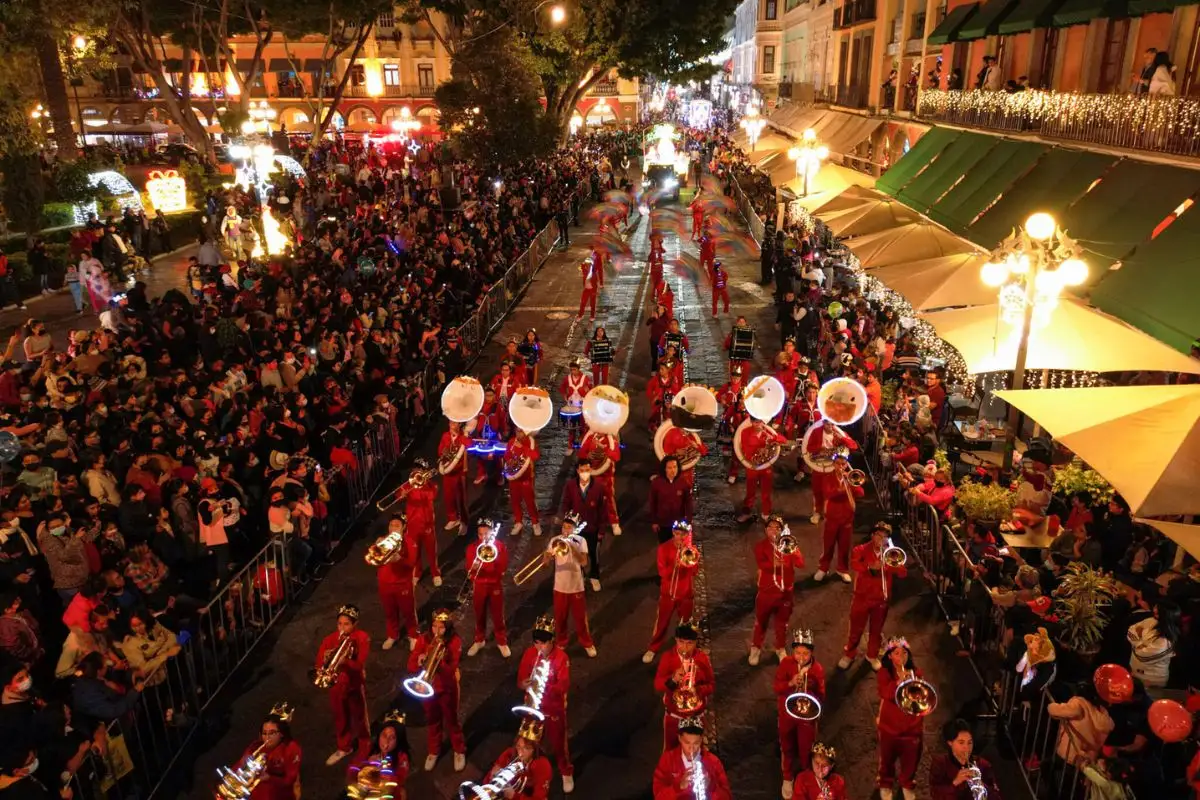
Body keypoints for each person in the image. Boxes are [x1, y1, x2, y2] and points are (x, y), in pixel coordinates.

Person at [517, 614, 573, 792]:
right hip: (533, 708)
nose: (540, 647)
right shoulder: (529, 654)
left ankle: (565, 771)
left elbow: (563, 685)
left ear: (552, 641)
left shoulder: (561, 658)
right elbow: (520, 681)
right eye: (536, 643)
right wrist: (524, 683)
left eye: (544, 643)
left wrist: (543, 685)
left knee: (558, 744)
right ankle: (528, 771)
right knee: (528, 743)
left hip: (553, 709)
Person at [839, 522, 907, 671]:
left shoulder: (890, 552)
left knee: (876, 631)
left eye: (884, 537)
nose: (881, 539)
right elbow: (855, 565)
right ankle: (849, 654)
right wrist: (871, 566)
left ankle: (872, 655)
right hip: (862, 598)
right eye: (878, 535)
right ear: (872, 535)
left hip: (881, 599)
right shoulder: (860, 549)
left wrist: (890, 562)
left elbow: (902, 573)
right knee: (856, 630)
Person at [406, 609, 466, 772]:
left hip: (447, 688)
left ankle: (459, 750)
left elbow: (451, 671)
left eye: (441, 628)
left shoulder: (454, 642)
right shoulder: (423, 639)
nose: (437, 632)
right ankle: (433, 750)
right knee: (432, 719)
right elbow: (410, 665)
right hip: (426, 688)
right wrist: (419, 661)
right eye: (434, 627)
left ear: (448, 628)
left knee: (452, 720)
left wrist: (439, 663)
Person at [314, 603, 370, 765]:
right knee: (340, 717)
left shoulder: (362, 638)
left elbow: (359, 665)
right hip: (335, 685)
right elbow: (318, 665)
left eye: (346, 624)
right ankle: (344, 747)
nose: (342, 628)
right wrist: (325, 660)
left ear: (355, 624)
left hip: (354, 683)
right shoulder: (329, 640)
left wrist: (345, 661)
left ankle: (364, 747)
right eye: (340, 623)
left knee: (360, 717)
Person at [775, 628, 825, 796]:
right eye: (798, 653)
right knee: (787, 747)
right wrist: (790, 683)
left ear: (811, 653)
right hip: (787, 714)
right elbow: (777, 687)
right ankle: (788, 777)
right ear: (792, 651)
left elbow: (821, 695)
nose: (802, 658)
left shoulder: (817, 669)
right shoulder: (786, 664)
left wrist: (810, 694)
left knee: (806, 749)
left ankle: (805, 777)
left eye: (805, 653)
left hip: (806, 717)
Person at [874, 637, 925, 800]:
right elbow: (885, 693)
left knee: (911, 759)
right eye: (897, 653)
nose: (901, 657)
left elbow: (921, 699)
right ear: (889, 656)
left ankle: (907, 783)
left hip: (912, 727)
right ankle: (885, 783)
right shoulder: (884, 673)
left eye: (905, 653)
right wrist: (898, 681)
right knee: (886, 759)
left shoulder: (916, 673)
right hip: (889, 726)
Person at [750, 516, 805, 666]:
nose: (774, 530)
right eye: (770, 527)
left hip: (785, 593)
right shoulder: (760, 546)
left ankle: (780, 648)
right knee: (761, 623)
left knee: (782, 624)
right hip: (767, 592)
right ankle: (756, 647)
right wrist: (772, 563)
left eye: (777, 528)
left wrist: (793, 549)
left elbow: (801, 564)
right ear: (765, 530)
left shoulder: (788, 545)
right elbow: (761, 564)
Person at [653, 619, 714, 752]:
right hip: (674, 716)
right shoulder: (667, 657)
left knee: (696, 751)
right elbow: (658, 684)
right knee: (670, 750)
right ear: (676, 640)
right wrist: (673, 679)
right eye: (681, 642)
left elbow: (711, 685)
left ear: (695, 643)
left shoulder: (702, 658)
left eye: (689, 643)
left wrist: (698, 690)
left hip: (696, 715)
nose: (685, 648)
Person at [645, 521, 700, 662]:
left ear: (687, 535)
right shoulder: (663, 548)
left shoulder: (692, 550)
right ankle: (653, 648)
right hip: (668, 595)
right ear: (673, 533)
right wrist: (675, 565)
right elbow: (663, 573)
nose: (679, 537)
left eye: (683, 534)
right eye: (677, 534)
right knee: (661, 623)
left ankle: (685, 651)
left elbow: (694, 572)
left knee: (685, 625)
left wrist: (689, 558)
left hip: (686, 595)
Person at [548, 513, 596, 656]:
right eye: (564, 527)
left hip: (576, 587)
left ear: (574, 528)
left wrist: (571, 545)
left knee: (580, 619)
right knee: (560, 618)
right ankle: (561, 643)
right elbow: (546, 559)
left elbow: (583, 562)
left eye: (569, 527)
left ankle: (587, 643)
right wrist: (547, 557)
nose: (565, 530)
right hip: (559, 587)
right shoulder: (555, 540)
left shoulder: (580, 541)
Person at [651, 715, 732, 799]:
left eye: (696, 743)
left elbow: (727, 797)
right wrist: (679, 787)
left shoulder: (713, 762)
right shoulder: (668, 760)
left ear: (701, 739)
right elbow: (658, 796)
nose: (691, 748)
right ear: (680, 738)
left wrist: (711, 786)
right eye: (687, 743)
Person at [234, 703, 302, 800]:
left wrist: (269, 778)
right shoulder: (256, 746)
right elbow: (240, 765)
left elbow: (289, 780)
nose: (267, 738)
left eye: (272, 733)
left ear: (282, 733)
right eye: (264, 733)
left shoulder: (292, 749)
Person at [389, 461, 441, 586]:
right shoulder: (408, 484)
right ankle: (417, 572)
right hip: (412, 523)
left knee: (431, 551)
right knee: (414, 551)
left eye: (421, 469)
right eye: (416, 469)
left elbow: (431, 496)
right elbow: (397, 495)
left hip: (427, 523)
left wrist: (424, 483)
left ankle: (436, 573)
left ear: (426, 472)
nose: (418, 471)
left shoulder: (432, 486)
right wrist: (401, 494)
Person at [374, 513, 419, 651]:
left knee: (408, 612)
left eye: (397, 525)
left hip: (402, 584)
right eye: (391, 525)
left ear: (404, 527)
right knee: (390, 612)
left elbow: (412, 563)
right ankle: (392, 635)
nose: (393, 528)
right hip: (385, 583)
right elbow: (376, 561)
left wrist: (399, 558)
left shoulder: (410, 542)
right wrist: (378, 550)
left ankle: (413, 635)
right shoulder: (382, 540)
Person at [466, 518, 510, 658]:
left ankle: (501, 641)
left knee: (498, 615)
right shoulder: (472, 548)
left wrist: (493, 558)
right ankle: (479, 640)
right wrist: (473, 568)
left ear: (492, 533)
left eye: (486, 533)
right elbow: (469, 572)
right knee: (479, 614)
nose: (484, 537)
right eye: (480, 534)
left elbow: (502, 569)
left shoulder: (500, 546)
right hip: (479, 585)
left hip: (494, 584)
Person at [813, 462, 864, 583]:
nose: (840, 466)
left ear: (846, 465)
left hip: (847, 518)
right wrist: (842, 489)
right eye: (838, 464)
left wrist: (853, 484)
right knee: (828, 546)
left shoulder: (850, 477)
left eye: (843, 464)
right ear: (834, 464)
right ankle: (823, 568)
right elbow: (828, 494)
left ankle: (843, 570)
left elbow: (861, 493)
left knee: (844, 547)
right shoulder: (827, 478)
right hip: (832, 518)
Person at [928, 718, 1002, 800]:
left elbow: (996, 796)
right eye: (961, 742)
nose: (966, 748)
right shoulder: (940, 763)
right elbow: (935, 794)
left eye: (969, 742)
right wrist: (955, 782)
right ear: (950, 743)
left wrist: (982, 786)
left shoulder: (983, 764)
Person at [803, 420, 857, 525]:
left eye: (833, 424)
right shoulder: (816, 432)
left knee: (833, 491)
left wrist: (842, 438)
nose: (831, 427)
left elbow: (853, 446)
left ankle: (830, 513)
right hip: (819, 465)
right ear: (823, 423)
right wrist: (820, 448)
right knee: (817, 490)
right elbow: (809, 448)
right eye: (828, 424)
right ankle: (817, 512)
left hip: (835, 467)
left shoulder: (839, 433)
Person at [483, 718, 554, 798]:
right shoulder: (509, 753)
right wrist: (491, 778)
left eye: (527, 748)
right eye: (518, 746)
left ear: (535, 749)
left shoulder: (542, 766)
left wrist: (514, 796)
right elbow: (487, 781)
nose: (520, 753)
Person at [735, 416, 788, 523]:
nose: (758, 425)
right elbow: (745, 448)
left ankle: (766, 513)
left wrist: (772, 438)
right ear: (751, 422)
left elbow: (784, 440)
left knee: (766, 491)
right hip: (752, 466)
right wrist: (758, 452)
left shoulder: (768, 432)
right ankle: (747, 512)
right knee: (750, 491)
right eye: (755, 422)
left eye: (760, 422)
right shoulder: (745, 432)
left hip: (766, 467)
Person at [346, 712, 410, 800]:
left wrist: (384, 771)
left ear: (399, 740)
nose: (386, 742)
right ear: (379, 735)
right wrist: (365, 765)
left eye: (392, 738)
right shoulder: (369, 748)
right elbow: (352, 768)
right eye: (384, 735)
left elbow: (399, 781)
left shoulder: (402, 758)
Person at [578, 421, 622, 536]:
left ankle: (614, 522)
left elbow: (616, 456)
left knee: (609, 499)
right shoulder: (591, 437)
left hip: (605, 475)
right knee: (589, 500)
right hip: (591, 474)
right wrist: (587, 456)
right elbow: (581, 453)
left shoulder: (611, 439)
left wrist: (604, 448)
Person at [1127, 600, 1179, 690]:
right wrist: (1142, 644)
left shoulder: (1165, 641)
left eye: (1157, 610)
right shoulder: (1150, 621)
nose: (1154, 610)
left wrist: (1138, 640)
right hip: (1135, 673)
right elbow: (1131, 631)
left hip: (1152, 680)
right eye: (1155, 607)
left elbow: (1142, 656)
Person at [437, 419, 472, 534]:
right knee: (448, 496)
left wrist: (467, 435)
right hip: (448, 472)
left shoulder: (463, 438)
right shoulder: (445, 436)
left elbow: (470, 445)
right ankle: (453, 518)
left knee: (461, 499)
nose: (451, 425)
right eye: (450, 422)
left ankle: (464, 522)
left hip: (459, 473)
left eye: (454, 423)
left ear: (459, 424)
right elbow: (440, 450)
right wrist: (444, 452)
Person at [506, 427, 542, 536]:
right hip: (514, 478)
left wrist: (522, 448)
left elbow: (535, 456)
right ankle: (518, 522)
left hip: (526, 478)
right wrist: (510, 461)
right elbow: (507, 455)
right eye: (516, 431)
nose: (518, 434)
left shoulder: (530, 442)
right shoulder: (511, 441)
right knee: (515, 501)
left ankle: (535, 523)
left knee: (529, 501)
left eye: (520, 431)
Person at [558, 361, 591, 449]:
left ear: (578, 369)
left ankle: (582, 443)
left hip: (582, 406)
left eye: (574, 370)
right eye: (571, 370)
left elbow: (590, 391)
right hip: (571, 407)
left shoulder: (585, 378)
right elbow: (562, 388)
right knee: (571, 427)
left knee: (582, 426)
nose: (573, 372)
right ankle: (570, 445)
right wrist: (565, 397)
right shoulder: (567, 378)